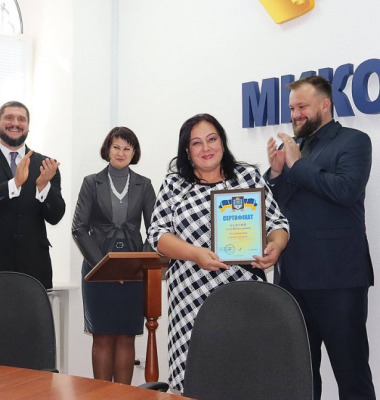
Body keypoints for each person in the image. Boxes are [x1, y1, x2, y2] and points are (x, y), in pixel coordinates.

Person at [148, 113, 289, 393]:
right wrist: (194, 253)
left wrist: (276, 245)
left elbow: (277, 223)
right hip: (190, 298)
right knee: (194, 381)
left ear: (222, 142)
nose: (206, 148)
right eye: (196, 143)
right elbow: (157, 234)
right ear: (187, 151)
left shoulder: (247, 176)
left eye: (212, 139)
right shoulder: (175, 183)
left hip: (244, 296)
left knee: (245, 379)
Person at [265, 75, 375, 400]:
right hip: (292, 281)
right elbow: (278, 210)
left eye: (302, 107)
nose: (295, 114)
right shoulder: (294, 149)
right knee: (299, 379)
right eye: (291, 108)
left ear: (325, 105)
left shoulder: (355, 141)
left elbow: (345, 190)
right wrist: (275, 172)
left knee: (352, 378)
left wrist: (296, 164)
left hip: (339, 282)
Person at [72, 127, 156, 384]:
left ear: (134, 152)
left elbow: (156, 229)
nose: (121, 152)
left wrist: (138, 266)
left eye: (127, 148)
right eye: (116, 147)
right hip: (97, 269)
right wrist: (104, 267)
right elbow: (79, 228)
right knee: (103, 336)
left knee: (127, 337)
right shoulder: (91, 182)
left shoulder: (144, 184)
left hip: (133, 272)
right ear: (107, 150)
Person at [0, 101, 65, 290]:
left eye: (21, 119)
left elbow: (55, 216)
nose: (15, 123)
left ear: (28, 126)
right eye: (9, 118)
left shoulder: (47, 165)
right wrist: (14, 184)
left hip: (34, 270)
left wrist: (43, 187)